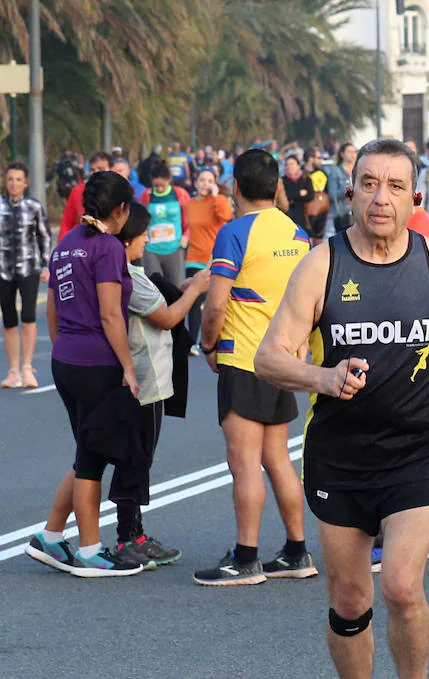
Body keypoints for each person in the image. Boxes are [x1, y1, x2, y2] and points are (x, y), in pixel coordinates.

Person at [254, 137, 429, 679]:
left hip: (418, 446)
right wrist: (324, 377)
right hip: (339, 453)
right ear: (351, 191)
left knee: (401, 586)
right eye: (368, 183)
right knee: (350, 595)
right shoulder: (321, 264)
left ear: (415, 195)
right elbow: (270, 356)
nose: (380, 197)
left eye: (394, 185)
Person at [195, 148, 317, 586]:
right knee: (278, 459)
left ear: (236, 186)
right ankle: (296, 551)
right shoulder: (297, 233)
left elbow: (215, 302)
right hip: (283, 360)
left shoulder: (234, 232)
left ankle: (246, 558)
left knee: (244, 464)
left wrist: (207, 344)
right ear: (277, 186)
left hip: (244, 357)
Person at [25, 171, 146, 577]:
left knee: (84, 453)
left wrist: (65, 351)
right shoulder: (109, 248)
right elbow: (111, 314)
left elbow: (53, 312)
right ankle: (91, 551)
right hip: (97, 363)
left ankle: (51, 536)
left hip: (66, 359)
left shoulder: (65, 246)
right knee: (93, 458)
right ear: (121, 210)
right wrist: (128, 367)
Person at [113, 201, 211, 567]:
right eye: (141, 236)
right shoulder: (130, 276)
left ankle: (133, 532)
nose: (146, 242)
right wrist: (197, 289)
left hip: (145, 378)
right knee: (136, 461)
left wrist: (182, 287)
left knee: (138, 460)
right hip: (145, 380)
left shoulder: (129, 273)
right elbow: (169, 317)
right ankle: (128, 536)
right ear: (126, 240)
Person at [1, 161, 51, 388]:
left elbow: (44, 236)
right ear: (5, 181)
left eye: (18, 179)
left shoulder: (34, 207)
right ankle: (13, 371)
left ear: (26, 182)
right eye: (10, 179)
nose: (14, 184)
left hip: (28, 268)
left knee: (29, 317)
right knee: (9, 320)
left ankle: (27, 367)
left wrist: (45, 264)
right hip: (3, 270)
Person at [183, 168, 234, 354]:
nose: (205, 183)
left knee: (216, 300)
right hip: (194, 257)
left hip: (216, 258)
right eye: (202, 180)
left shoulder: (218, 201)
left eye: (209, 180)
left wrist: (217, 196)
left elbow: (226, 216)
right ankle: (191, 343)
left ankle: (217, 340)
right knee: (194, 299)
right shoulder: (189, 203)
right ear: (195, 182)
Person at [138, 159, 191, 284]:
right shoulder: (147, 195)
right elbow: (140, 219)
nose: (160, 189)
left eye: (163, 185)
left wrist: (186, 236)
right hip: (151, 249)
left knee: (175, 287)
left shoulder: (180, 194)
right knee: (155, 288)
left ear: (169, 180)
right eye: (156, 186)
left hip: (174, 248)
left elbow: (192, 218)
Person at [59, 151, 111, 239]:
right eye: (93, 170)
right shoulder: (78, 192)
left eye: (100, 169)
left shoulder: (118, 192)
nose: (96, 173)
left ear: (111, 169)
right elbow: (66, 224)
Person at [327, 142, 357, 236]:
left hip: (357, 213)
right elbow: (332, 195)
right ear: (342, 154)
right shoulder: (335, 172)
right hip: (341, 213)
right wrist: (348, 190)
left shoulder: (359, 170)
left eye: (354, 152)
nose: (352, 154)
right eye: (349, 152)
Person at [279, 153, 313, 234]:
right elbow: (284, 197)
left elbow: (310, 196)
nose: (289, 166)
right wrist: (299, 193)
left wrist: (292, 196)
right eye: (287, 164)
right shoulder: (282, 181)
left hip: (303, 216)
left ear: (298, 166)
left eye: (292, 164)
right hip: (287, 215)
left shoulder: (305, 179)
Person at [305, 149, 331, 246]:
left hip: (319, 210)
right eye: (319, 158)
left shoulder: (322, 173)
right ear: (311, 159)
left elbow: (327, 191)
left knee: (318, 237)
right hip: (302, 211)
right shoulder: (300, 172)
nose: (321, 160)